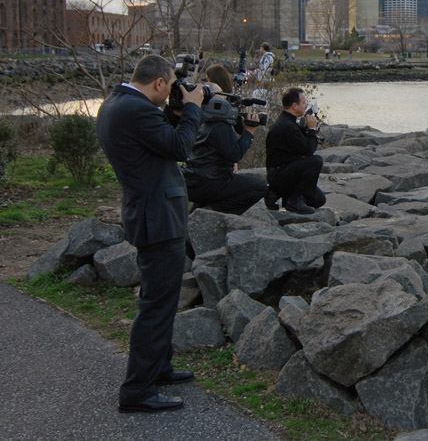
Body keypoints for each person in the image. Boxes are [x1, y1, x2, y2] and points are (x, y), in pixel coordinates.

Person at [95, 55, 205, 414]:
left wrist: (173, 115)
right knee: (156, 305)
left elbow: (155, 144)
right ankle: (137, 390)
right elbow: (179, 148)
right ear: (159, 83)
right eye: (172, 85)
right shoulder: (136, 111)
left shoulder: (116, 104)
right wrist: (192, 110)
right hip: (158, 218)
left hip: (148, 213)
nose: (174, 91)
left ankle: (159, 367)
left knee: (162, 298)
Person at [182, 83, 269, 215]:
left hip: (193, 183)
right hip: (211, 183)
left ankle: (200, 209)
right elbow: (235, 155)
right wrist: (249, 132)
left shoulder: (201, 121)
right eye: (221, 94)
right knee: (261, 188)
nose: (226, 99)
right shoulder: (220, 127)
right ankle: (212, 212)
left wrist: (240, 124)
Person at [265, 87, 326, 214]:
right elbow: (308, 151)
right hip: (279, 174)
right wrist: (312, 130)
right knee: (316, 161)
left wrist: (308, 132)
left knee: (319, 200)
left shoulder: (288, 121)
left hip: (284, 173)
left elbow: (299, 145)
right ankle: (293, 201)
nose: (305, 105)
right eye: (303, 103)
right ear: (294, 106)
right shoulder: (287, 126)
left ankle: (275, 194)